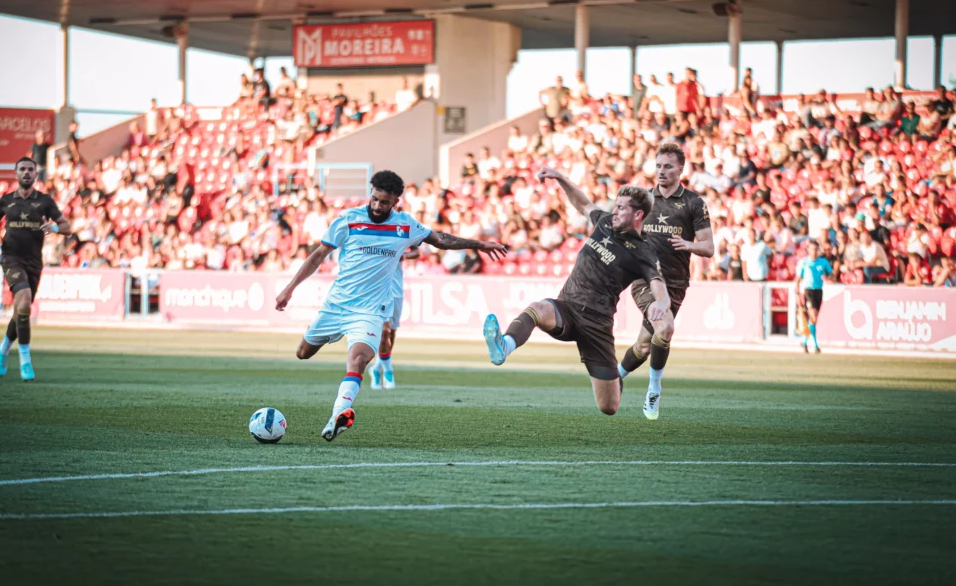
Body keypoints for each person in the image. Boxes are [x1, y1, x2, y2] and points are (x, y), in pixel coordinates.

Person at [275, 170, 507, 441]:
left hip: (370, 311)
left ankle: (337, 415)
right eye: (374, 199)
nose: (377, 206)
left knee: (359, 359)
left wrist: (479, 244)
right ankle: (335, 388)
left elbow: (441, 240)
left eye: (384, 202)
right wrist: (289, 288)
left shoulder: (405, 225)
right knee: (303, 353)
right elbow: (317, 256)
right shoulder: (348, 219)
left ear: (396, 201)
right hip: (336, 306)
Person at [482, 169, 670, 416]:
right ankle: (503, 346)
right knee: (537, 308)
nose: (614, 211)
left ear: (638, 214)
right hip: (567, 308)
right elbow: (583, 204)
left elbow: (659, 285)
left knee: (609, 407)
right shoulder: (604, 222)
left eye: (621, 208)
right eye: (615, 206)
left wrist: (661, 304)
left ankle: (615, 380)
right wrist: (561, 179)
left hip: (597, 325)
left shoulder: (643, 251)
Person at [617, 141, 714, 420]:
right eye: (658, 166)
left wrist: (688, 244)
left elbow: (709, 247)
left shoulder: (694, 203)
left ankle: (616, 376)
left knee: (644, 345)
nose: (661, 171)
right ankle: (654, 389)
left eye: (668, 166)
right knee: (666, 327)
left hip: (676, 282)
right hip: (645, 279)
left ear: (680, 169)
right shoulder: (644, 200)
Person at [0, 157, 72, 381]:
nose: (26, 173)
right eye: (22, 169)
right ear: (15, 173)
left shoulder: (45, 201)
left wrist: (54, 228)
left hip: (34, 262)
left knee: (21, 311)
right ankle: (25, 361)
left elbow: (67, 227)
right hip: (11, 257)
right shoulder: (6, 201)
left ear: (36, 174)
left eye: (30, 170)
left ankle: (3, 348)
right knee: (23, 299)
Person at [370, 246, 421, 390]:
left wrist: (405, 255)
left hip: (396, 290)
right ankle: (388, 371)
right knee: (384, 332)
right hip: (378, 291)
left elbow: (416, 251)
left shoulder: (400, 234)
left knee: (391, 332)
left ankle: (377, 367)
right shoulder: (372, 237)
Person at [795, 239, 834, 354]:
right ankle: (815, 345)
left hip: (819, 291)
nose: (814, 251)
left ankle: (805, 342)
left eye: (816, 249)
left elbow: (832, 275)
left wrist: (828, 278)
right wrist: (797, 295)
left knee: (813, 319)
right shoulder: (804, 262)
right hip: (808, 291)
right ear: (808, 250)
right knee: (813, 316)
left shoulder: (823, 262)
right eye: (812, 249)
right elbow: (797, 279)